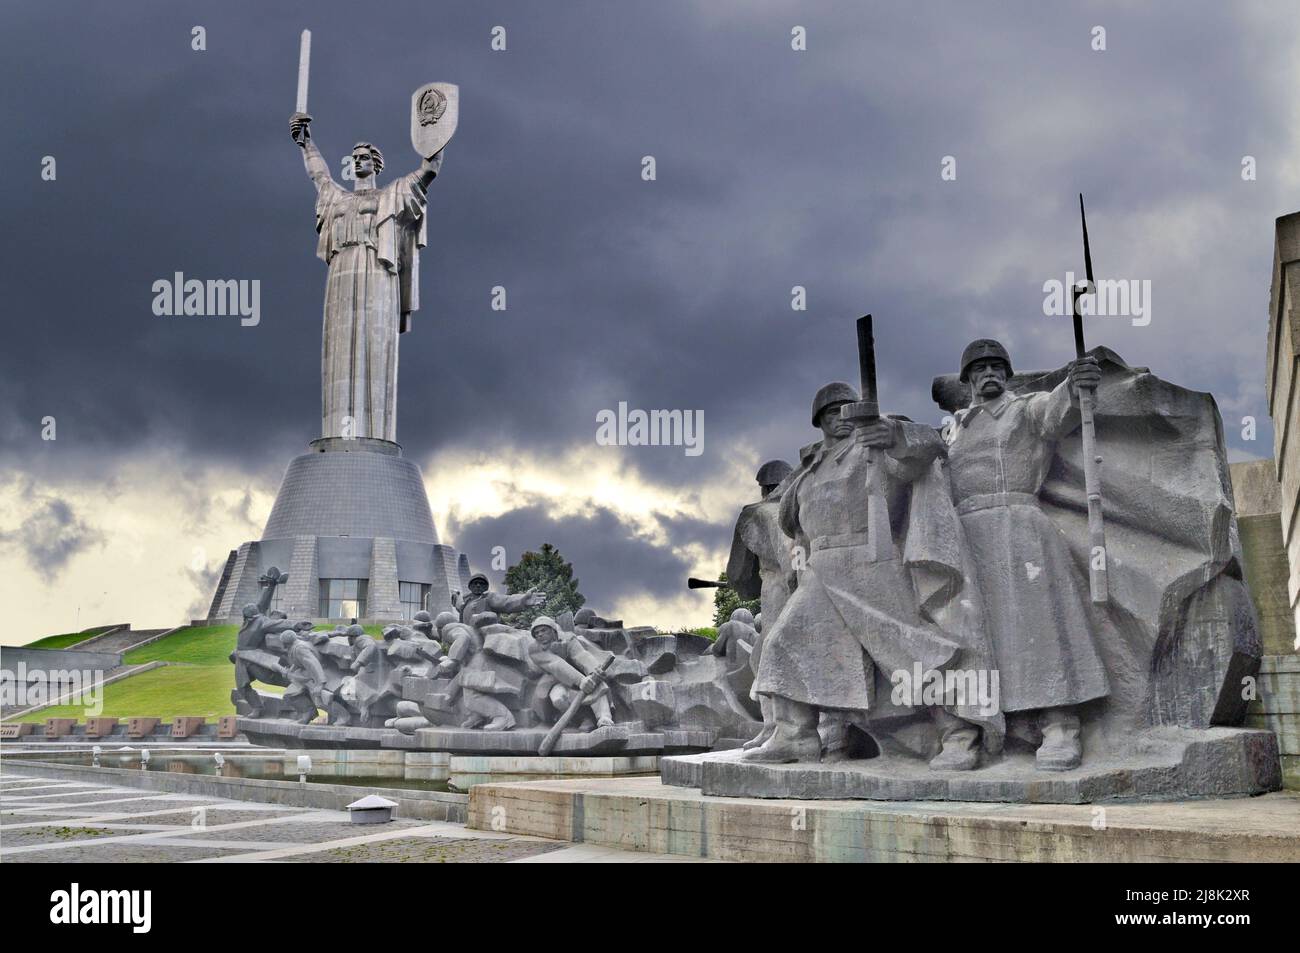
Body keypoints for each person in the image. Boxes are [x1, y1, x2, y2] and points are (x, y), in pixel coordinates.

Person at [944, 340, 1108, 770]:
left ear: (1009, 373)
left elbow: (1056, 413)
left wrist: (1076, 386)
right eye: (979, 369)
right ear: (967, 380)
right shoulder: (954, 428)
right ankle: (966, 730)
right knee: (968, 636)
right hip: (966, 535)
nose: (989, 373)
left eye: (997, 366)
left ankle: (1059, 726)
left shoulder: (1026, 408)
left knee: (1041, 628)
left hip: (1019, 524)